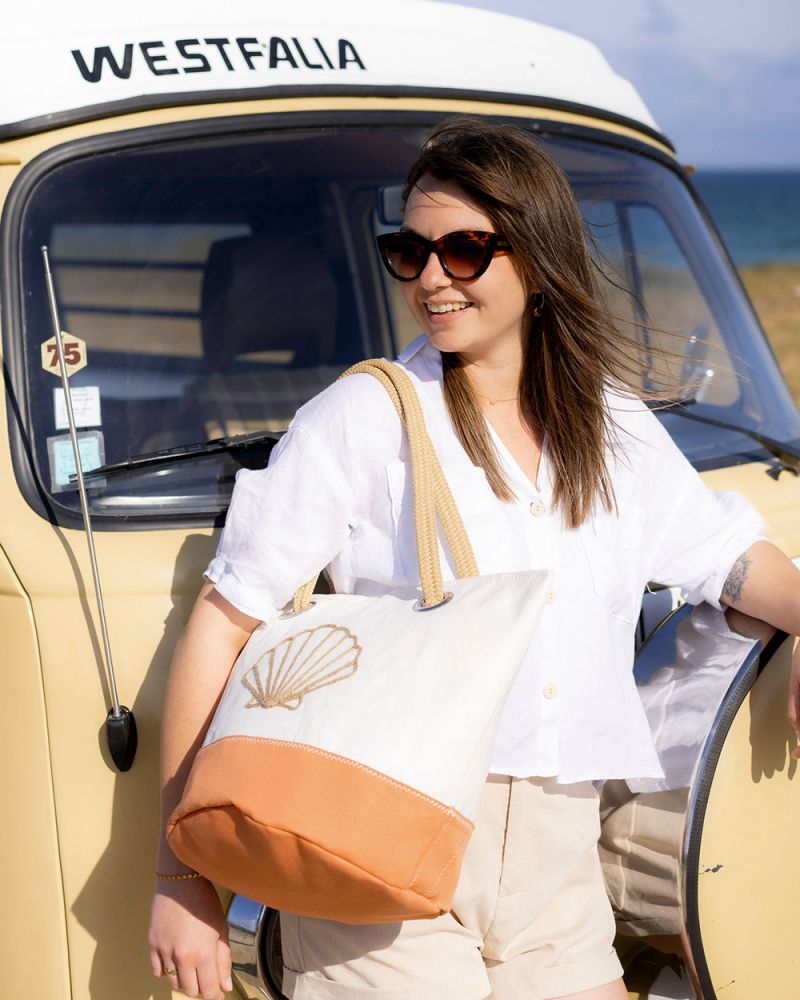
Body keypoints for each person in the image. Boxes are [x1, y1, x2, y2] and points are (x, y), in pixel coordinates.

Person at [148, 116, 800, 1000]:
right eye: (408, 252)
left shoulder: (610, 428)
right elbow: (221, 628)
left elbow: (729, 560)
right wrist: (181, 876)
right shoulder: (365, 418)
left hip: (557, 854)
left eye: (463, 250)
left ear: (537, 256)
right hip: (381, 846)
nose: (430, 279)